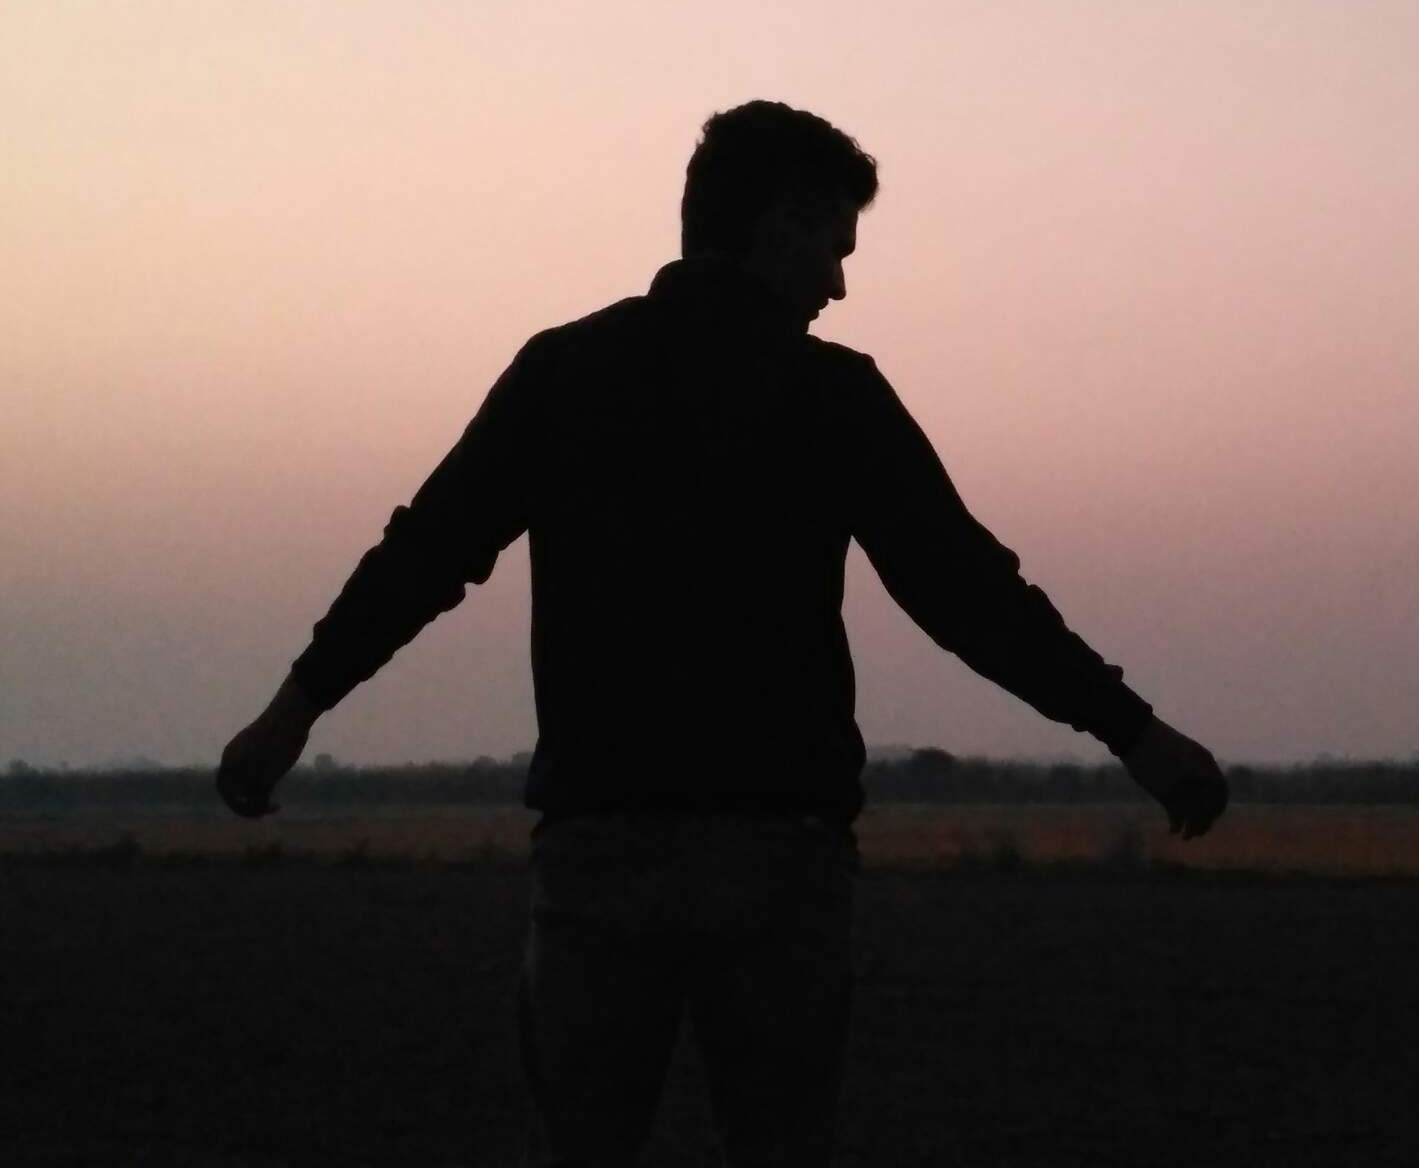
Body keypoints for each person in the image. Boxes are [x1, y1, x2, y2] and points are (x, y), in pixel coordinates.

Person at [216, 100, 1229, 1166]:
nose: (839, 287)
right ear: (780, 224)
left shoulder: (565, 373)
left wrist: (295, 709)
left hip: (600, 855)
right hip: (776, 861)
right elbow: (969, 593)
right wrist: (1135, 734)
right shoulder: (830, 395)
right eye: (834, 250)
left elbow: (425, 555)